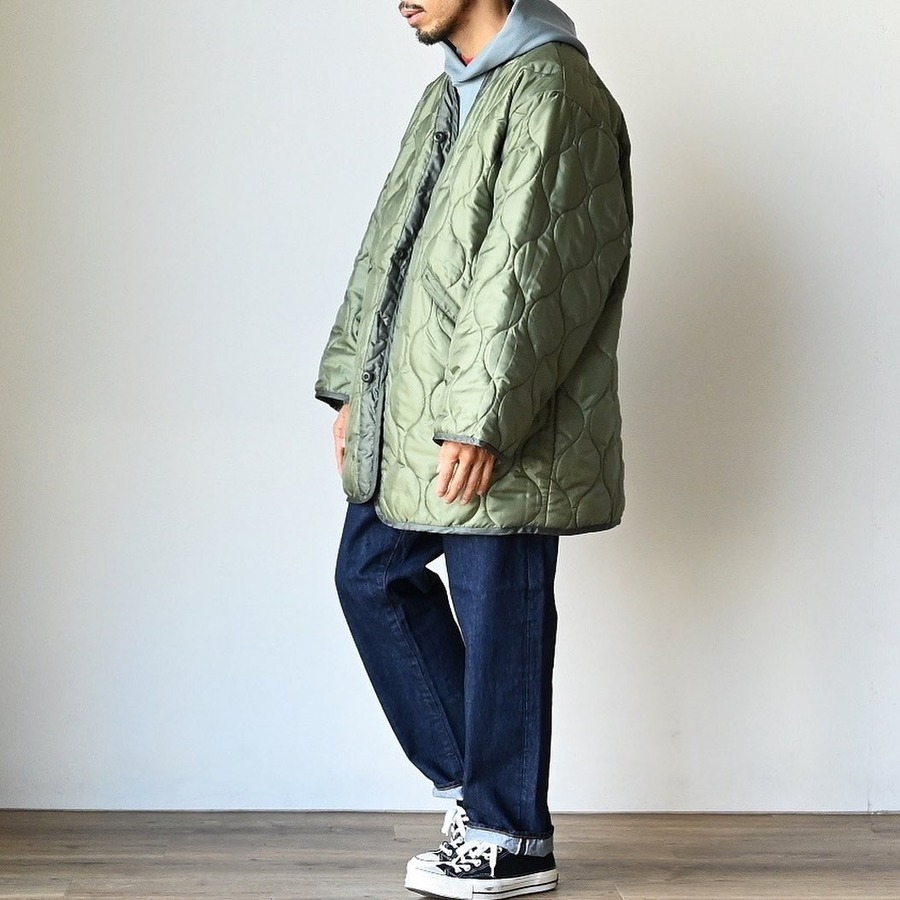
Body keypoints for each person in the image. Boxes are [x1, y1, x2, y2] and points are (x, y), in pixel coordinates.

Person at [315, 0, 631, 896]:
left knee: (502, 618)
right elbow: (387, 250)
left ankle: (512, 836)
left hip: (500, 423)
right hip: (418, 410)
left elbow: (532, 268)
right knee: (370, 575)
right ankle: (486, 793)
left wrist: (483, 418)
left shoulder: (554, 91)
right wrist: (354, 384)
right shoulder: (448, 94)